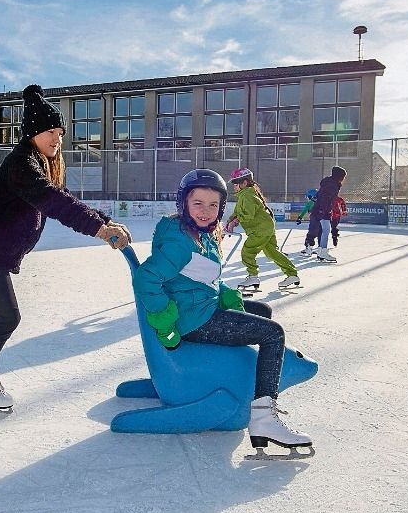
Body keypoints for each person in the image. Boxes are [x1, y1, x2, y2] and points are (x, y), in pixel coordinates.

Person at [0, 84, 132, 409]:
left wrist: (105, 220)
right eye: (50, 131)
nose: (56, 138)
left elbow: (64, 197)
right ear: (32, 133)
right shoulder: (22, 163)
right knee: (8, 317)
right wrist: (100, 230)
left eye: (60, 132)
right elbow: (52, 201)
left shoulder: (41, 162)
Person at [133, 168, 312, 451]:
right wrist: (162, 316)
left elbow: (199, 277)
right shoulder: (181, 241)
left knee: (261, 311)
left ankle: (242, 381)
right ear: (183, 203)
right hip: (193, 319)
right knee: (273, 334)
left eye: (213, 205)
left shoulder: (198, 233)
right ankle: (264, 418)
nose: (206, 211)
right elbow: (147, 278)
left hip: (200, 305)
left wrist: (224, 293)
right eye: (198, 203)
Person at [223, 167, 299, 290]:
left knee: (247, 252)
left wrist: (235, 222)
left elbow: (248, 214)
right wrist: (229, 222)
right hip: (266, 227)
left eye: (235, 183)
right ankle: (292, 274)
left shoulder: (247, 195)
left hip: (260, 230)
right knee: (273, 253)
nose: (234, 186)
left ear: (245, 182)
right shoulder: (246, 194)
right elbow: (238, 212)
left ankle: (253, 277)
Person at [311, 166, 347, 263]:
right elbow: (326, 198)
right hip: (323, 210)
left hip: (321, 209)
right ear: (339, 176)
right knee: (326, 230)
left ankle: (321, 251)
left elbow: (320, 195)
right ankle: (322, 251)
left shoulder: (329, 183)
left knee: (325, 230)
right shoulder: (333, 185)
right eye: (343, 177)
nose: (344, 179)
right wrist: (324, 210)